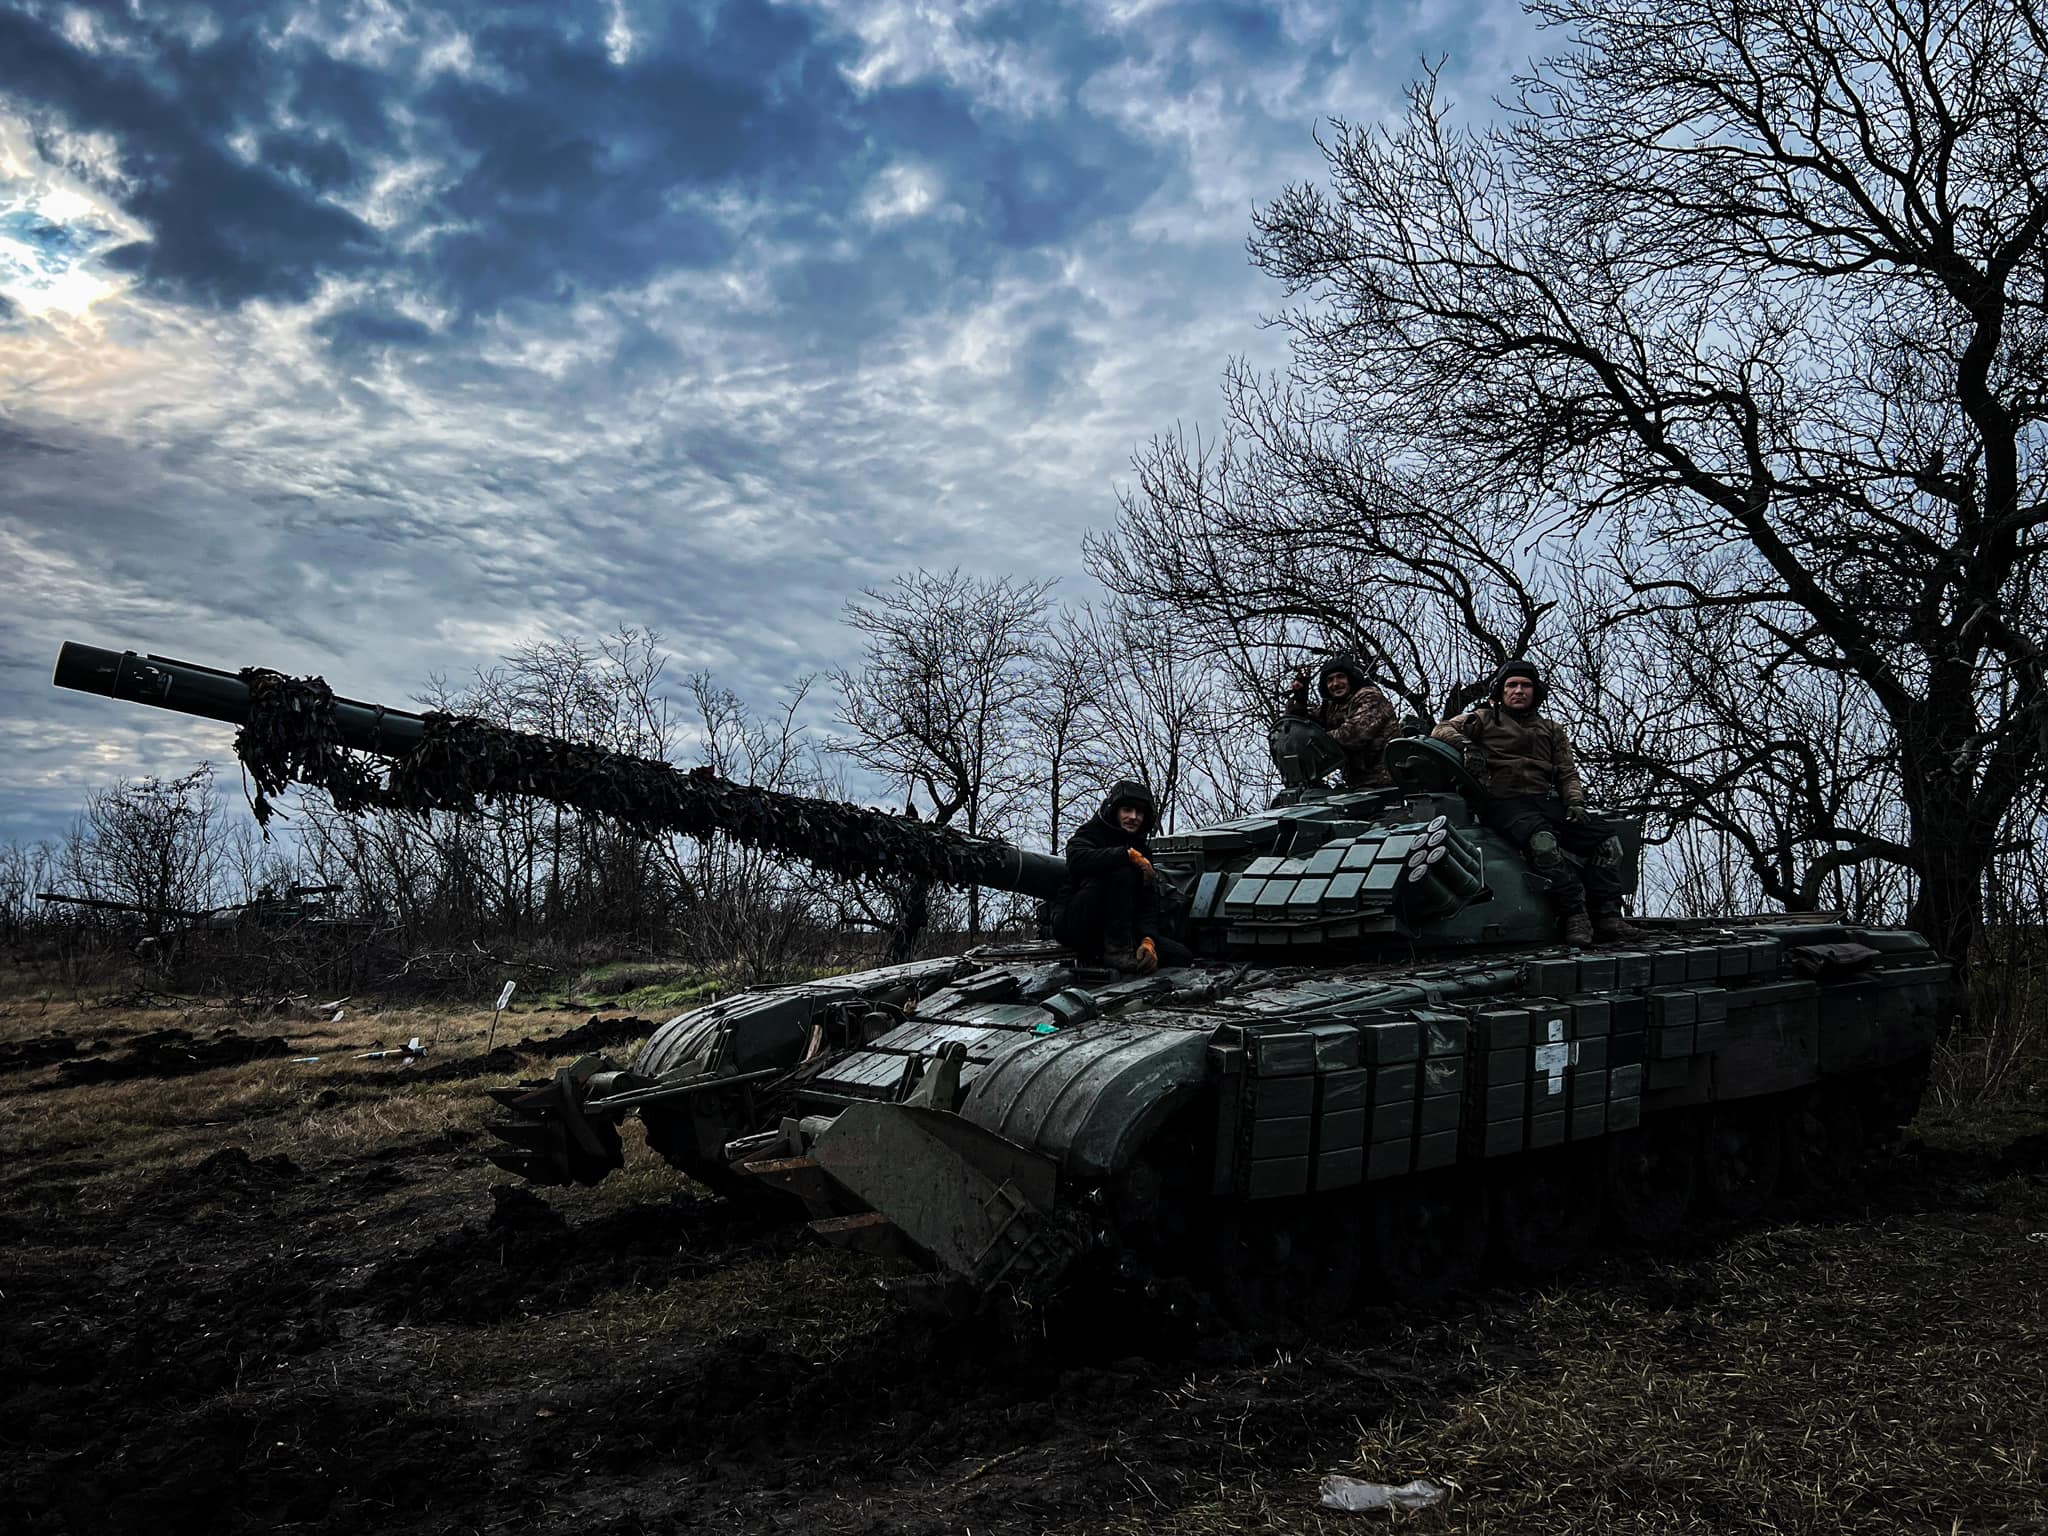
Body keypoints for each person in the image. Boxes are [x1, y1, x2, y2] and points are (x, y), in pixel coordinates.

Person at [1431, 660, 1638, 946]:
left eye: (1525, 685)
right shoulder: (1483, 719)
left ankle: (1608, 915)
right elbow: (1440, 730)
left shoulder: (1551, 729)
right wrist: (1467, 746)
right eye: (1511, 685)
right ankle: (1575, 914)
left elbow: (1566, 771)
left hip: (1543, 801)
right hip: (1504, 803)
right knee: (1543, 844)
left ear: (1536, 691)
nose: (1519, 691)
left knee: (1607, 842)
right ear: (1500, 692)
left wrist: (1575, 802)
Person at [1051, 780, 1190, 973]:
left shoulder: (1143, 849)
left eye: (1139, 812)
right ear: (1114, 810)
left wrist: (1148, 940)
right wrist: (1127, 855)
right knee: (1121, 870)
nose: (1133, 817)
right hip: (1077, 920)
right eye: (1127, 810)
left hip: (1122, 926)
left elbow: (1148, 902)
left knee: (1181, 955)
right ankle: (1115, 953)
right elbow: (1076, 858)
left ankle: (1123, 949)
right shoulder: (1091, 832)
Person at [1283, 654, 1398, 789]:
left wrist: (1315, 741)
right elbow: (1297, 726)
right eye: (1330, 680)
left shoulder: (1369, 697)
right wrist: (1300, 698)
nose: (1335, 683)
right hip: (1358, 786)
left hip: (1387, 781)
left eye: (1340, 677)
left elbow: (1353, 735)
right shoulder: (1333, 707)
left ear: (1351, 678)